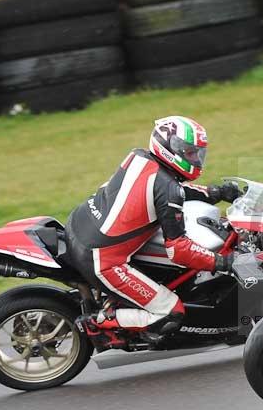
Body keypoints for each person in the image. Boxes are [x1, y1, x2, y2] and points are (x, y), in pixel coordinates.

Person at [66, 115, 242, 348]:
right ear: (170, 148)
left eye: (198, 152)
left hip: (77, 225)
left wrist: (216, 192)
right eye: (190, 153)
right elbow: (179, 251)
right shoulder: (169, 189)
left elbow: (172, 190)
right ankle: (97, 322)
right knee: (171, 312)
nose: (196, 159)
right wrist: (225, 262)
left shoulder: (139, 157)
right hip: (101, 260)